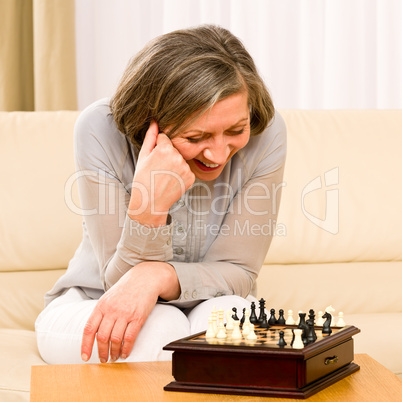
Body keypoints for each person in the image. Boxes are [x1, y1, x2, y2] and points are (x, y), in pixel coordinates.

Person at [35, 24, 286, 365]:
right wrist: (149, 206)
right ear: (149, 122)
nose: (217, 153)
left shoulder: (266, 134)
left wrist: (159, 275)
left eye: (235, 130)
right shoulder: (99, 129)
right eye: (196, 137)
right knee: (159, 327)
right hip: (93, 301)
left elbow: (239, 273)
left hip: (212, 301)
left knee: (234, 323)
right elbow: (117, 283)